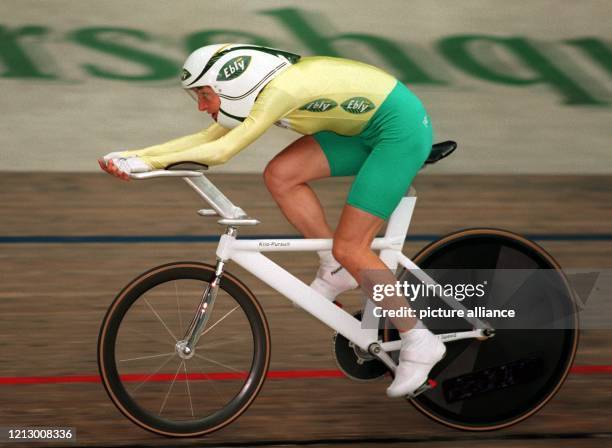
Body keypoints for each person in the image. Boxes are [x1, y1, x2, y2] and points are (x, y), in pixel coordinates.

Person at [99, 43, 445, 397]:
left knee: (352, 247)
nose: (201, 106)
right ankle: (335, 268)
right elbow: (206, 138)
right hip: (363, 130)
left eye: (204, 95)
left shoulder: (281, 90)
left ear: (232, 85)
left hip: (398, 132)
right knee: (281, 175)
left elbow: (222, 151)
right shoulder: (259, 94)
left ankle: (418, 338)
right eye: (195, 97)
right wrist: (131, 156)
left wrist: (147, 163)